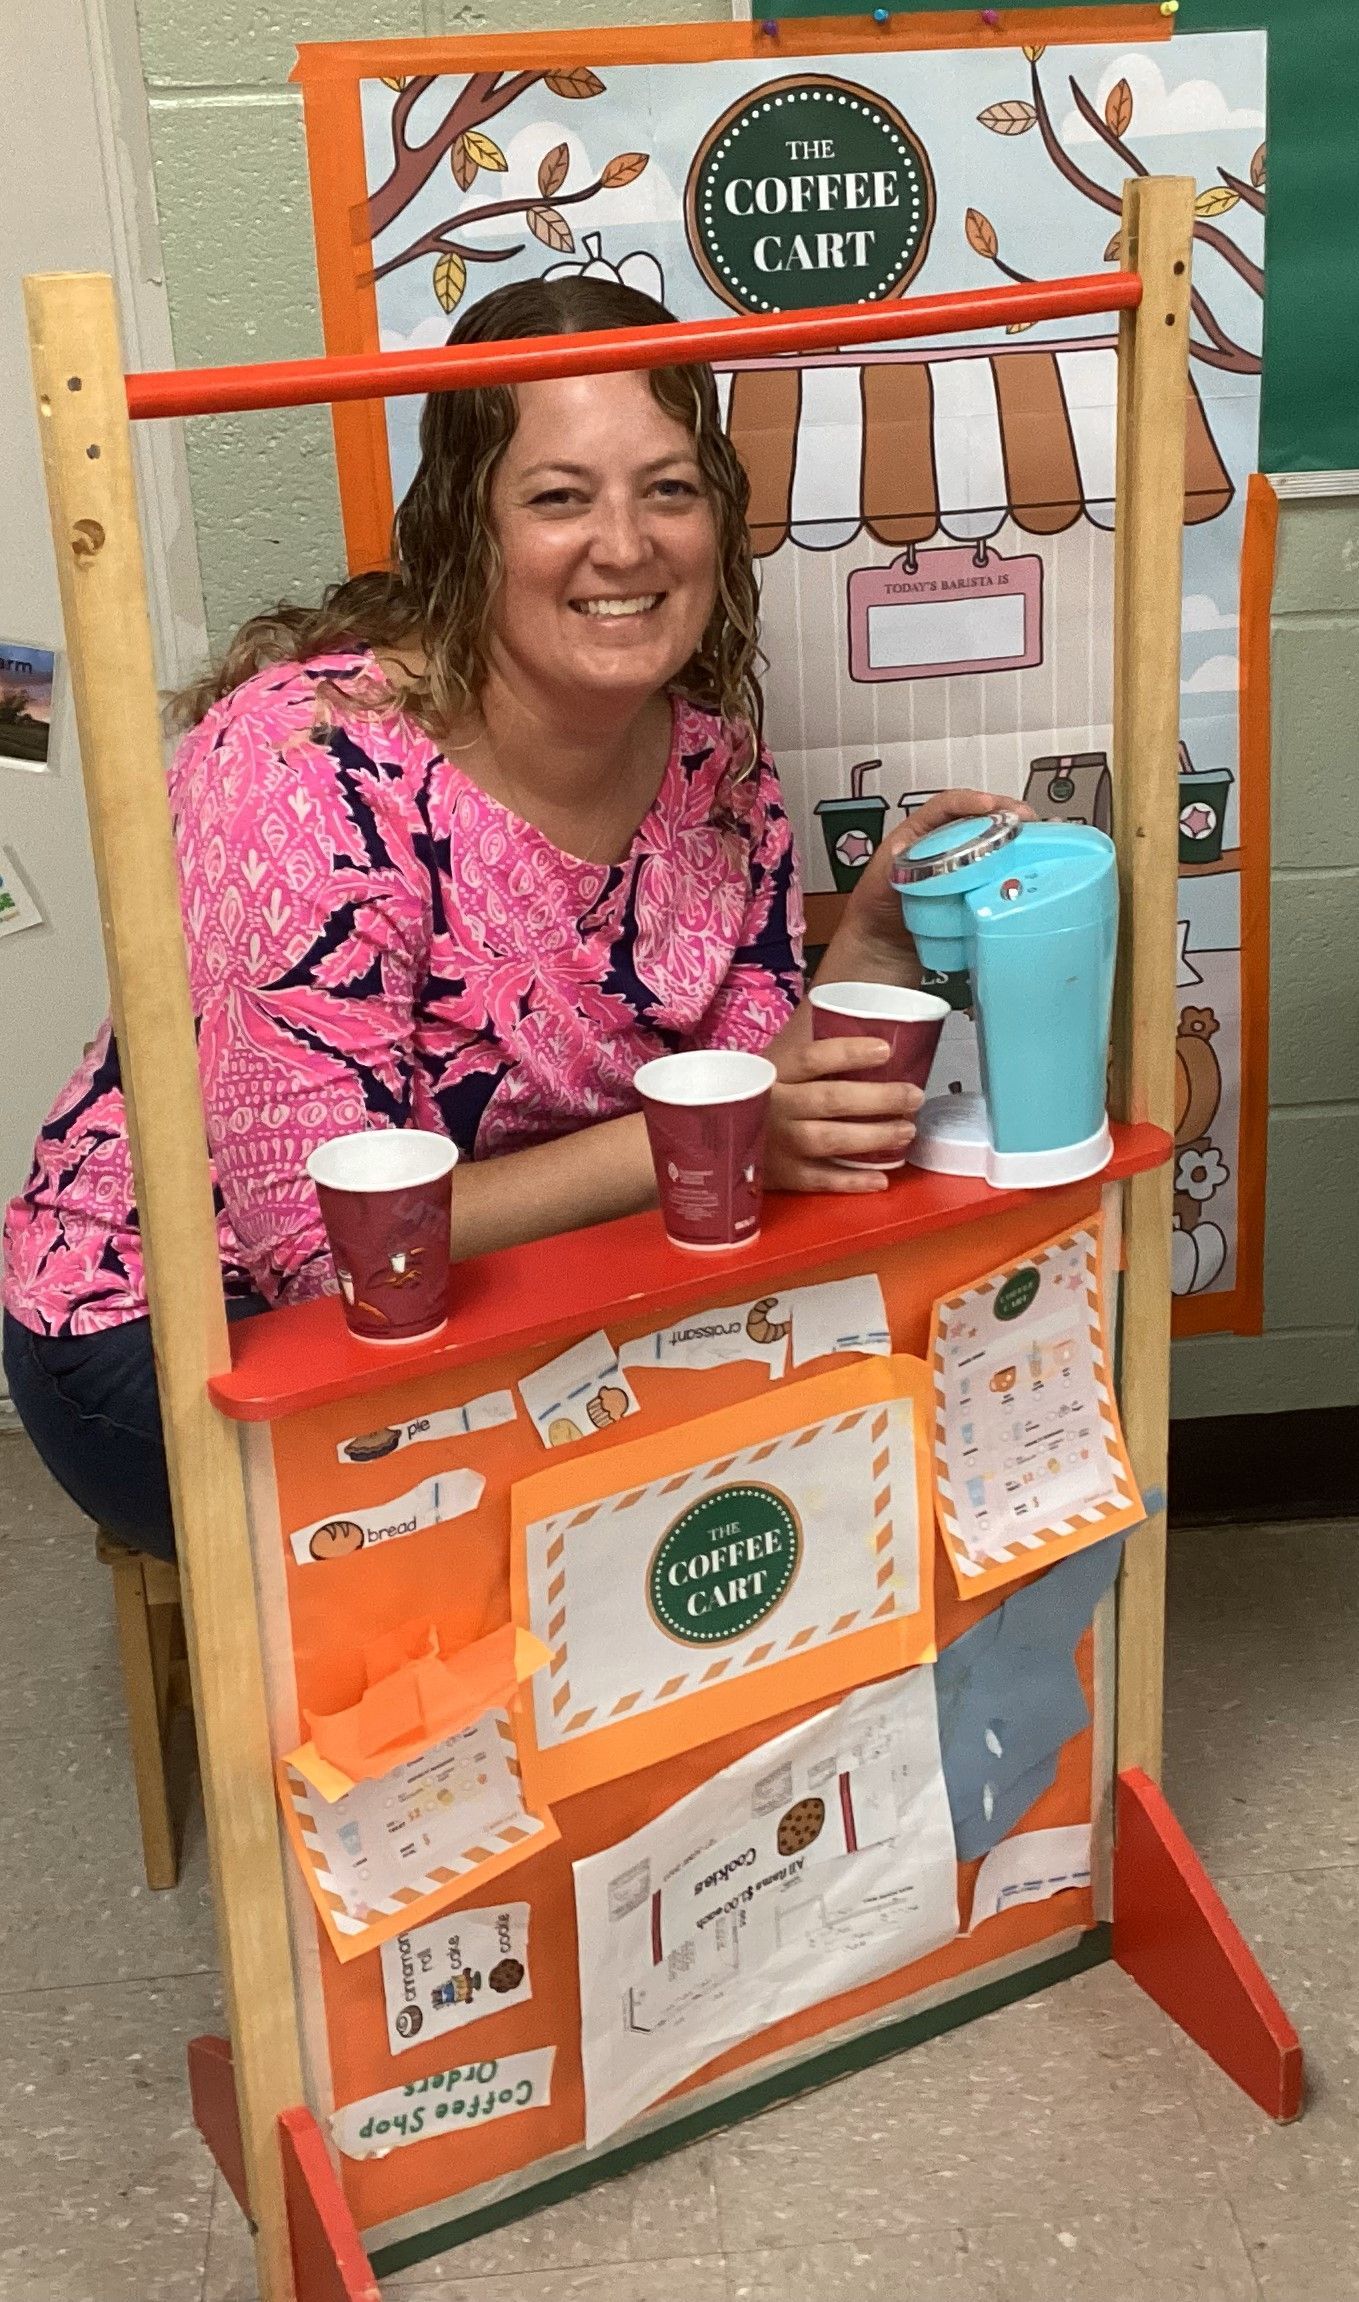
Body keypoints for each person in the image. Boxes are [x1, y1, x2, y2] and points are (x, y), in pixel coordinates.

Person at [2, 276, 1016, 1559]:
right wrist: (697, 1148)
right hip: (180, 1327)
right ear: (464, 532)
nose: (626, 543)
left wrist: (866, 946)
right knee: (605, 1531)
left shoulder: (720, 777)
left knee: (811, 1445)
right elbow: (331, 1253)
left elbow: (746, 1108)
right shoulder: (296, 766)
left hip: (529, 1282)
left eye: (669, 488)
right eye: (557, 496)